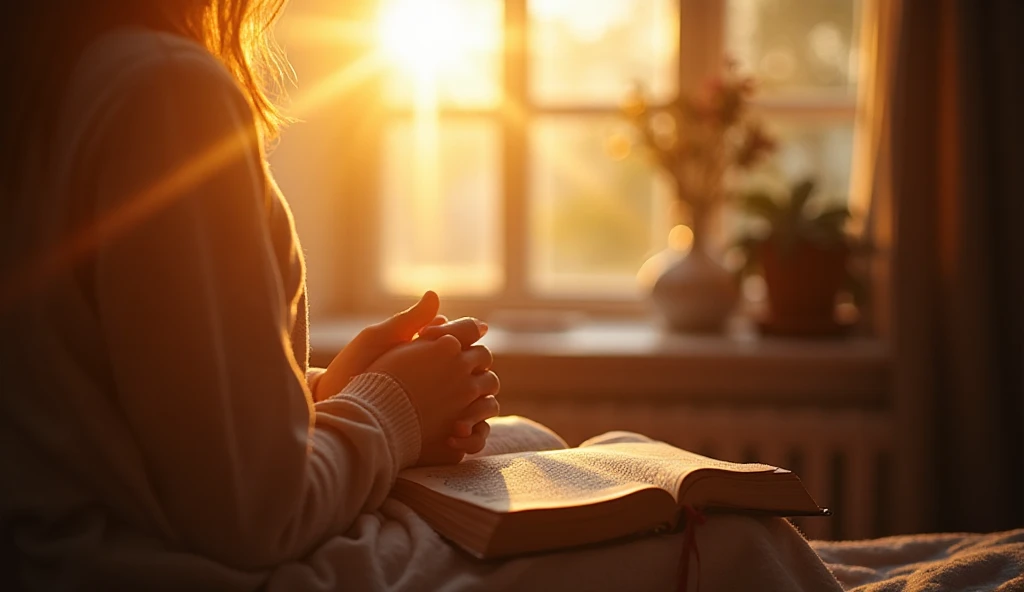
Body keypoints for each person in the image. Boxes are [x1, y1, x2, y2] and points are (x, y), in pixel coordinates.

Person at [0, 1, 844, 590]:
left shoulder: (59, 74)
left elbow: (131, 431)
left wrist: (323, 395)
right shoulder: (162, 87)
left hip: (101, 548)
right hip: (162, 570)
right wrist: (392, 406)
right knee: (739, 541)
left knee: (520, 441)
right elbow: (249, 522)